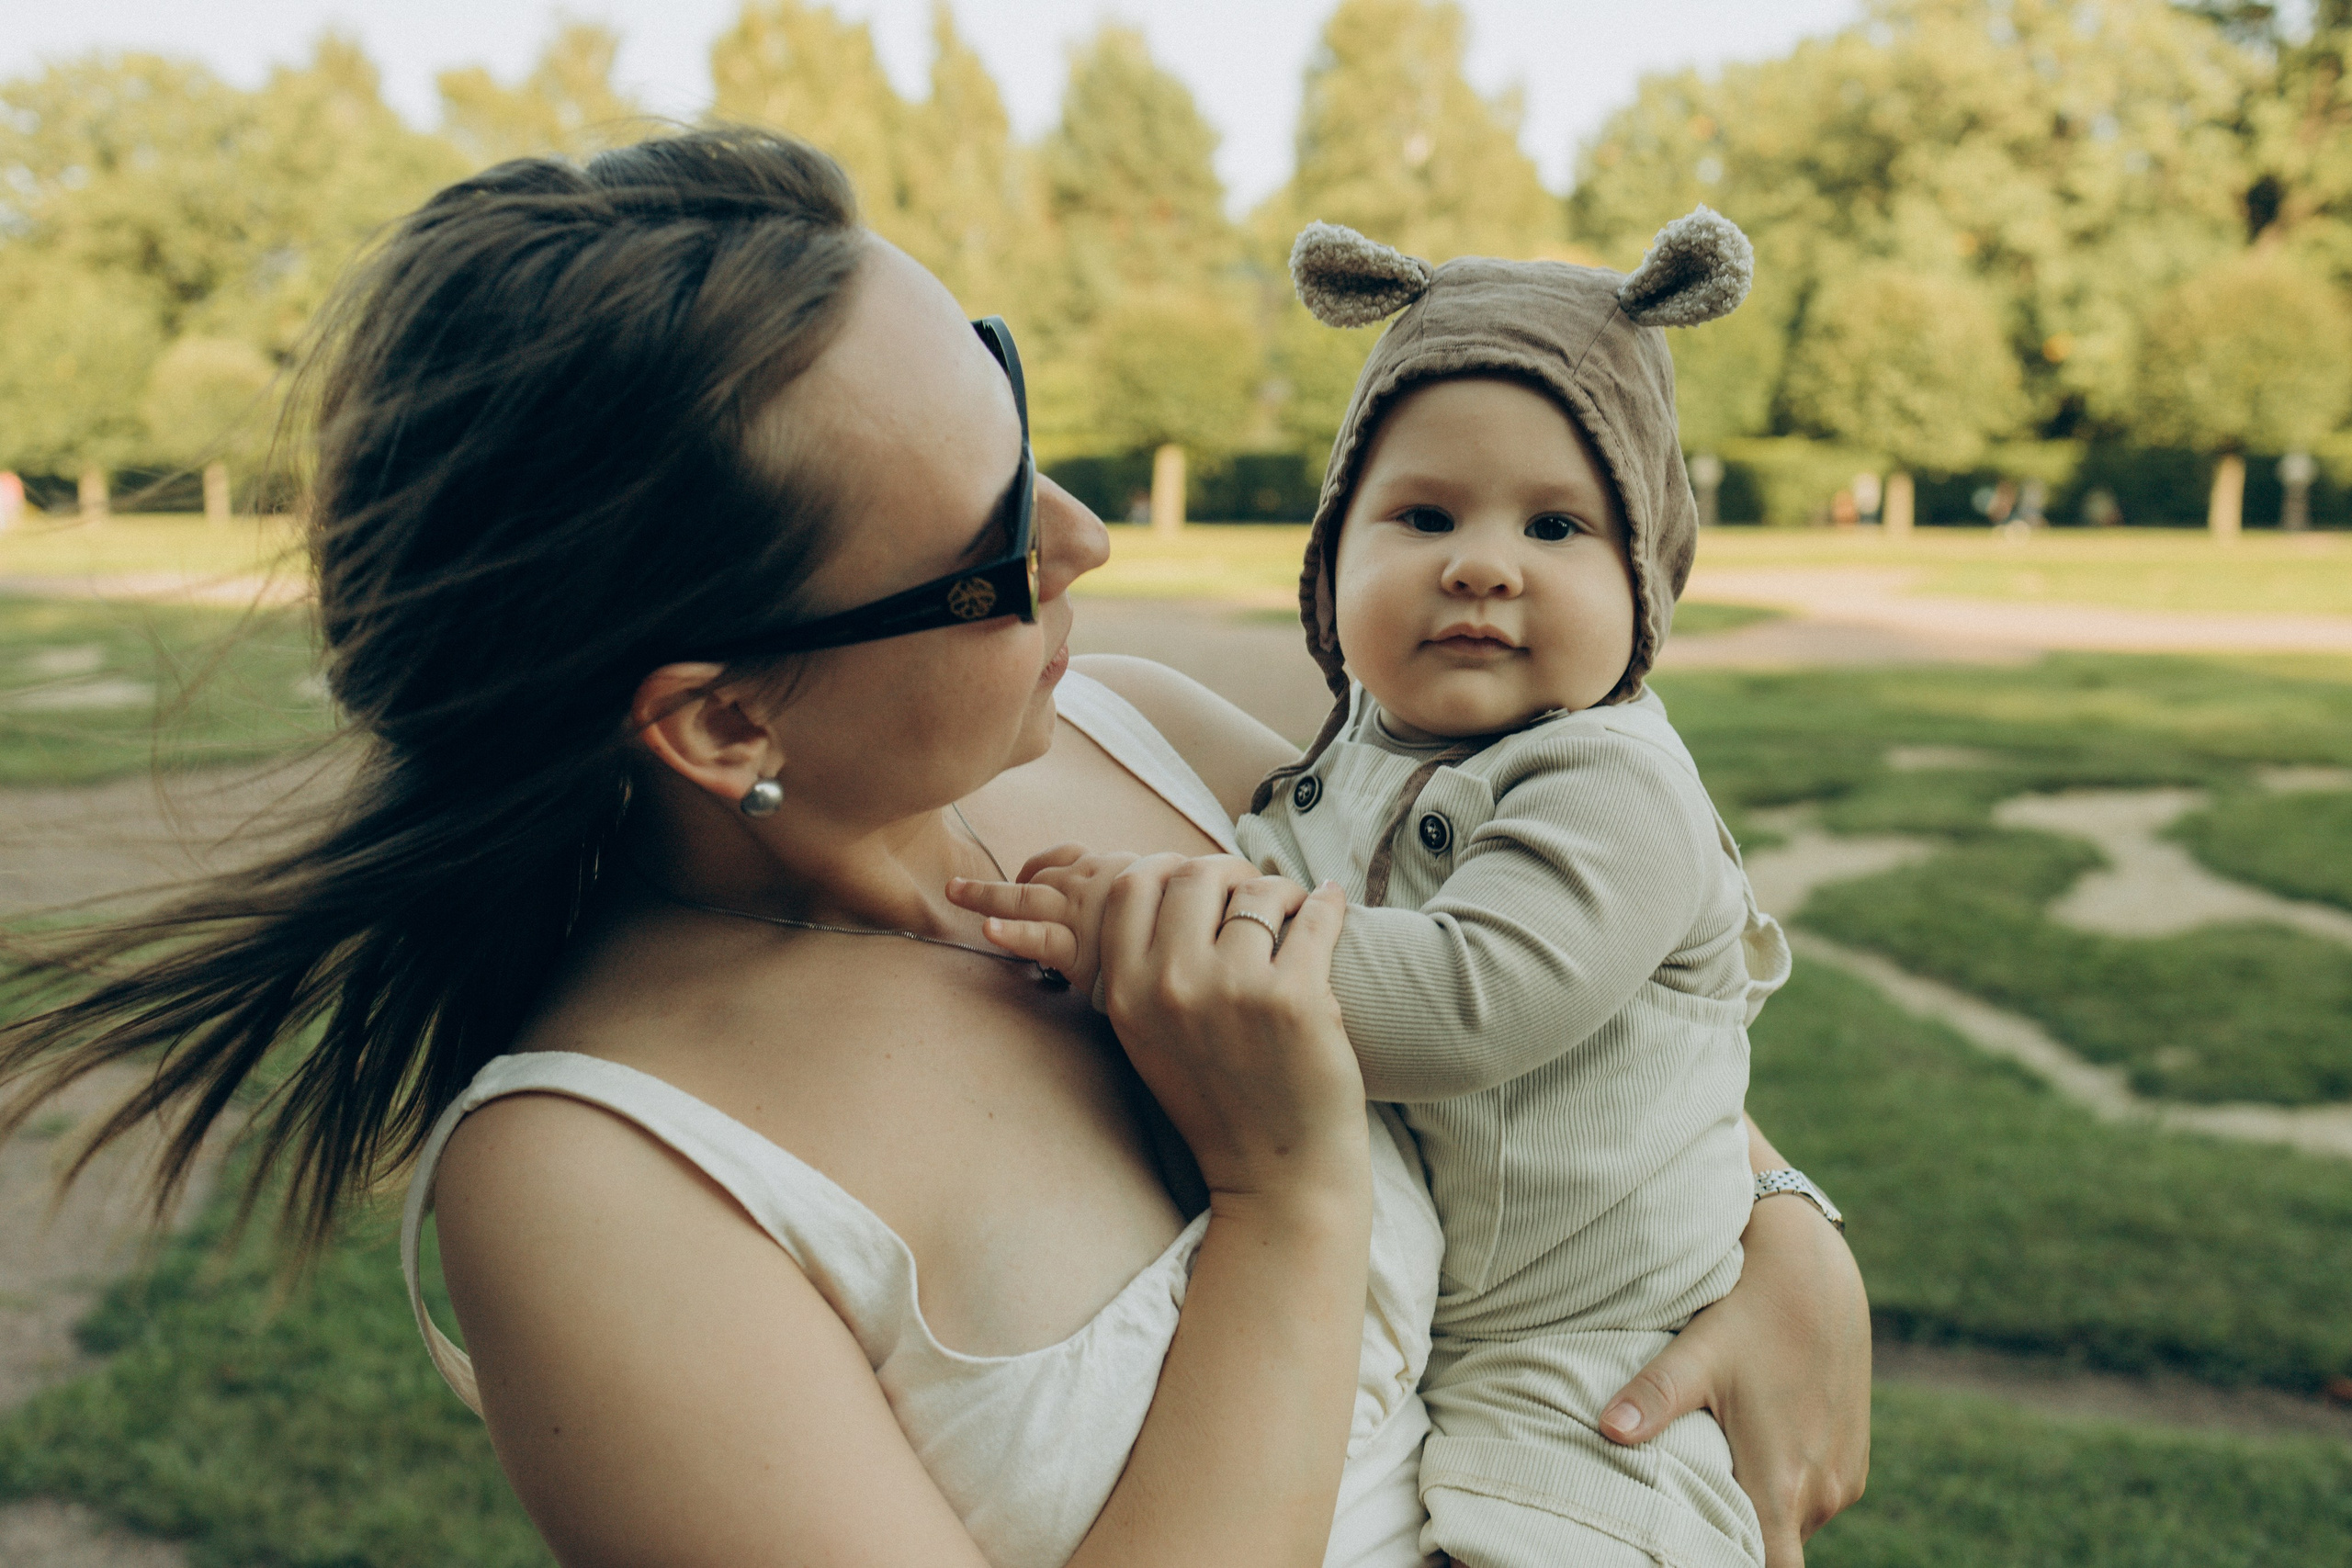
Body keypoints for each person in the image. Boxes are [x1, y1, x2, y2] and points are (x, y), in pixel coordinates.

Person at [0, 132, 1869, 1567]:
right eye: (989, 545)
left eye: (1017, 418)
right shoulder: (599, 1187)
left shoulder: (1166, 745)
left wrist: (1792, 1233)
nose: (1081, 539)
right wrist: (1285, 1200)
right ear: (721, 716)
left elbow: (1572, 1031)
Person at [953, 211, 1832, 1568]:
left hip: (1600, 1340)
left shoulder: (1616, 785)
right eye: (1423, 515)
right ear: (1333, 555)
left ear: (1645, 580)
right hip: (1450, 1330)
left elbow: (1470, 1004)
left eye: (1558, 524)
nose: (1483, 562)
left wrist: (1156, 922)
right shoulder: (1352, 759)